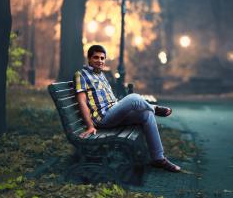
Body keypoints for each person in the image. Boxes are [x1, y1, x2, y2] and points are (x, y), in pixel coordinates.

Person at [74, 44, 181, 172]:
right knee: (134, 98)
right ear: (89, 59)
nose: (100, 61)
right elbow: (82, 102)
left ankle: (158, 158)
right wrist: (90, 126)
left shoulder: (102, 75)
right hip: (103, 118)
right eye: (96, 57)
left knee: (147, 115)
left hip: (113, 112)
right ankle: (155, 108)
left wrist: (121, 106)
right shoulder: (81, 74)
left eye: (102, 58)